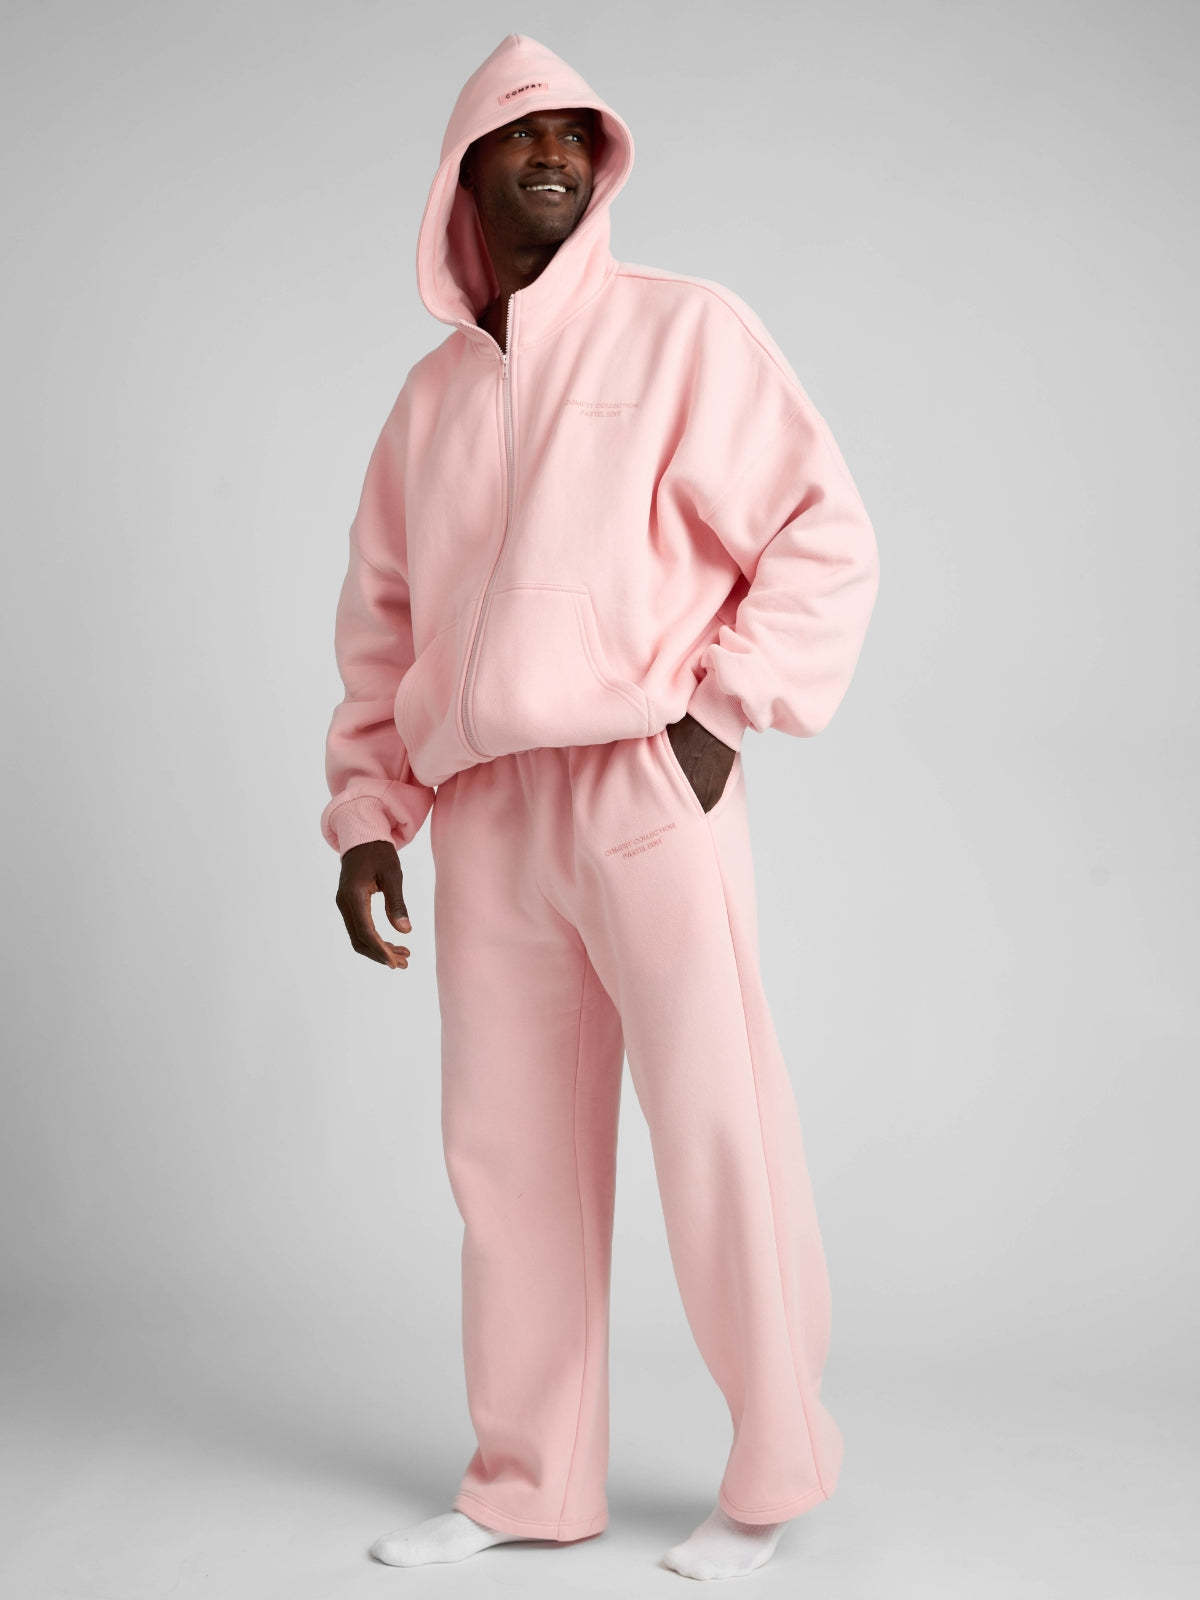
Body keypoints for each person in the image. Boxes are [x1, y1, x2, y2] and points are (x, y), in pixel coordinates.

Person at [320, 31, 880, 1583]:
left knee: (718, 1130)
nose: (557, 153)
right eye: (523, 133)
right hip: (487, 812)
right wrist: (368, 817)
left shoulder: (683, 331)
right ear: (464, 172)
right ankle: (527, 1484)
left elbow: (823, 533)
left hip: (643, 786)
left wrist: (716, 717)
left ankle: (772, 1474)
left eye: (579, 131)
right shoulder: (429, 404)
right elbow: (382, 632)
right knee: (509, 1162)